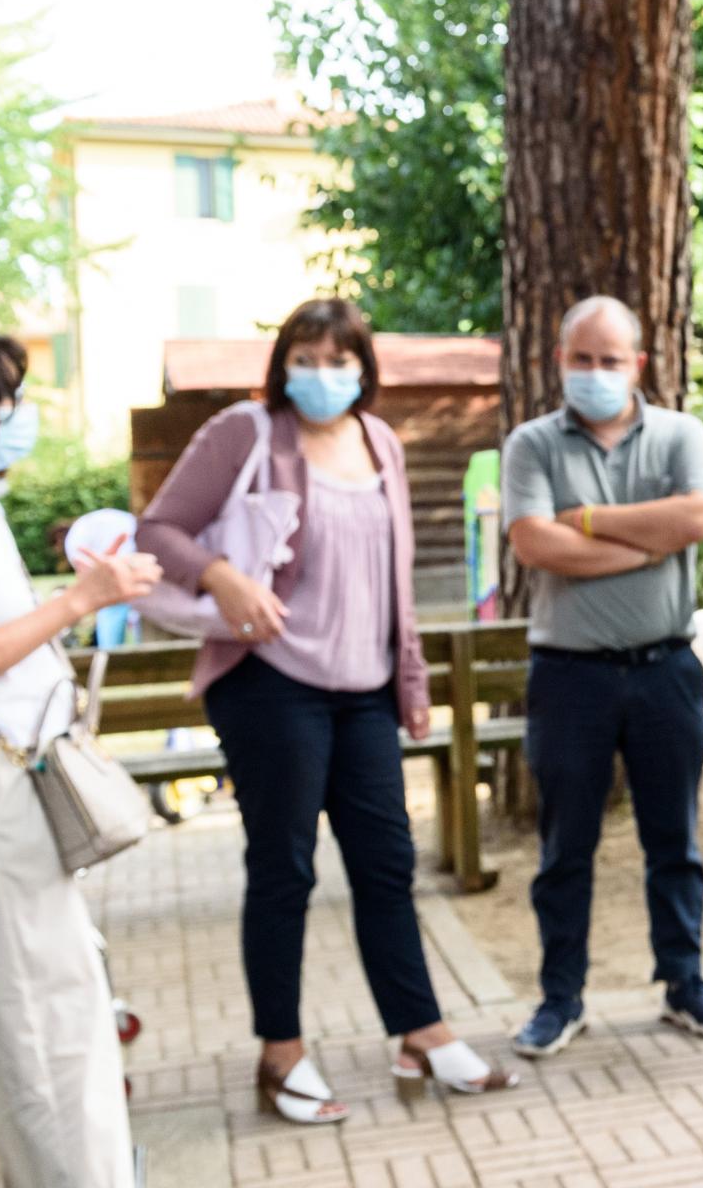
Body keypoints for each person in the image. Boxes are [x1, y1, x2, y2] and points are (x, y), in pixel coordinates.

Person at [140, 299, 517, 1124]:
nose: (322, 375)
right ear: (281, 366)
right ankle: (281, 1055)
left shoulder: (380, 439)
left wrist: (409, 681)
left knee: (388, 866)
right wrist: (221, 576)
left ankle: (421, 1031)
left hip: (365, 692)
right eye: (304, 359)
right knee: (285, 869)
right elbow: (159, 528)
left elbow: (398, 579)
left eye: (338, 359)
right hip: (272, 683)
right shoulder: (245, 432)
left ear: (362, 366)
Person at [503, 296, 703, 1054]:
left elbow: (696, 518)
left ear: (638, 364)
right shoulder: (532, 445)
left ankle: (684, 982)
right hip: (569, 678)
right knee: (565, 848)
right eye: (582, 358)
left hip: (666, 669)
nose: (595, 373)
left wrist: (591, 521)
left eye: (610, 359)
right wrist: (648, 541)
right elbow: (535, 543)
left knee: (676, 840)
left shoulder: (680, 435)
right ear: (558, 361)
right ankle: (560, 997)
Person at [0, 328, 157, 1187]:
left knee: (43, 1013)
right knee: (40, 1023)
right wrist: (82, 600)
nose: (5, 416)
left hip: (17, 781)